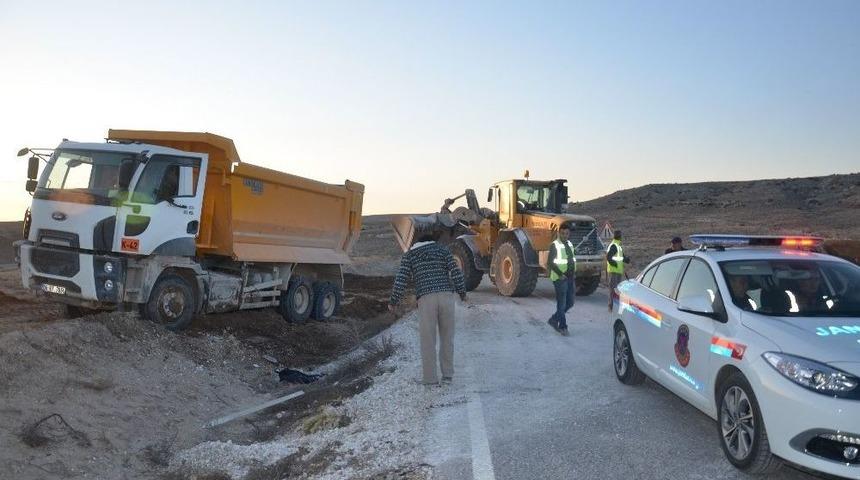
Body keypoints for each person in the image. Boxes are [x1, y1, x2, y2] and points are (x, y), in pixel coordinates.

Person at [389, 235, 467, 385]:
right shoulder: (443, 251)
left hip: (426, 299)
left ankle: (430, 379)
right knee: (447, 338)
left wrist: (393, 301)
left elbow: (401, 279)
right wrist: (462, 293)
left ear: (416, 243)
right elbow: (456, 272)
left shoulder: (410, 255)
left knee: (428, 340)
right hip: (446, 297)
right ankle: (447, 376)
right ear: (432, 241)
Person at [547, 224, 576, 336]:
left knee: (570, 302)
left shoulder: (569, 244)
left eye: (567, 233)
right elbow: (550, 262)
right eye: (563, 233)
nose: (565, 236)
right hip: (560, 278)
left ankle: (554, 319)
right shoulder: (555, 245)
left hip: (570, 277)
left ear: (569, 234)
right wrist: (560, 274)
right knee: (562, 303)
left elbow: (571, 259)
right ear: (559, 233)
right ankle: (563, 327)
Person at [606, 230, 631, 312]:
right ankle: (611, 307)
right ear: (620, 237)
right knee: (613, 290)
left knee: (616, 290)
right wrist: (615, 264)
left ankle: (613, 307)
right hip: (614, 271)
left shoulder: (618, 246)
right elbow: (608, 257)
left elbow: (621, 257)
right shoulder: (614, 246)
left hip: (617, 271)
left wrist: (626, 260)